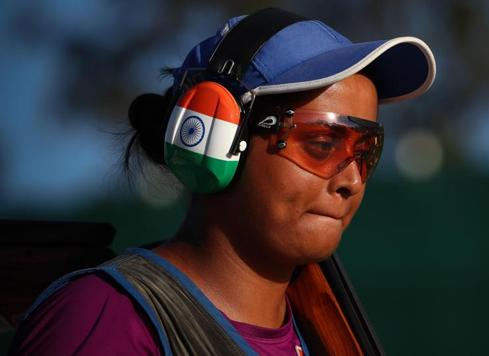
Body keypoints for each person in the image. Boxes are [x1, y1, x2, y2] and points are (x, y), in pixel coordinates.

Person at [9, 8, 435, 356]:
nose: (352, 181)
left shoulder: (320, 332)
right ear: (216, 137)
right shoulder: (109, 319)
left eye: (365, 151)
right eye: (323, 143)